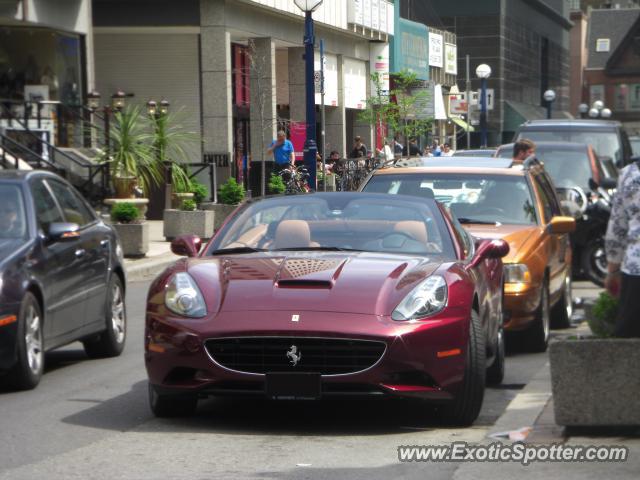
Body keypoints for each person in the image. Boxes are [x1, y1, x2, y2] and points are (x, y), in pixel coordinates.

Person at [604, 158, 640, 337]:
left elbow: (617, 228)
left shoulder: (629, 175)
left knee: (628, 341)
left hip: (636, 270)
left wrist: (612, 272)